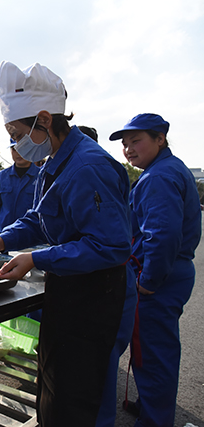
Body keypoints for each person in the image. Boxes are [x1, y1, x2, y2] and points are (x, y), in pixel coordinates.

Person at [0, 61, 135, 427]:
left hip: (95, 295)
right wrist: (2, 239)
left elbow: (110, 246)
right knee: (54, 388)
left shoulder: (88, 167)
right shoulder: (55, 161)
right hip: (68, 288)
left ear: (44, 120)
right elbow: (38, 218)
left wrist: (37, 258)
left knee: (78, 400)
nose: (16, 144)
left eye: (17, 134)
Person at [110, 113, 201, 427]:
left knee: (154, 355)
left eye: (136, 141)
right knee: (154, 351)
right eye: (125, 144)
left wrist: (148, 281)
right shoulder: (166, 169)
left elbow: (162, 235)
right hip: (171, 272)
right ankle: (152, 408)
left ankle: (155, 421)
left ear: (160, 139)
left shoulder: (158, 177)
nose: (129, 149)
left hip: (160, 276)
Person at [0, 139, 39, 234]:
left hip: (32, 236)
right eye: (15, 149)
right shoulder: (0, 177)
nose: (18, 152)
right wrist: (4, 218)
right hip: (5, 235)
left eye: (23, 148)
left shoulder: (41, 176)